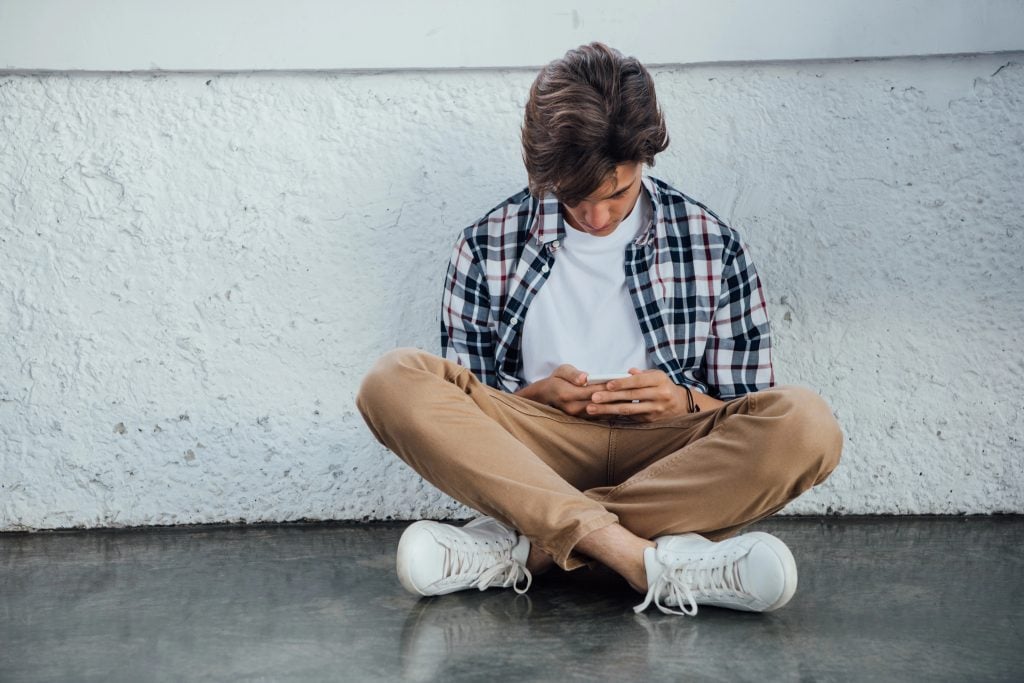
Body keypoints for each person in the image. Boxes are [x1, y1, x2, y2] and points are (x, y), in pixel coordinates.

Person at [356, 42, 842, 616]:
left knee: (806, 424)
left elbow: (744, 409)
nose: (595, 217)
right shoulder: (485, 244)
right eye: (572, 196)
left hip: (670, 457)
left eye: (616, 193)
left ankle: (522, 552)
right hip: (537, 450)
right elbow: (468, 417)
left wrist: (683, 402)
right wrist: (530, 399)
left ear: (645, 160)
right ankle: (647, 561)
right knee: (392, 383)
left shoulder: (712, 241)